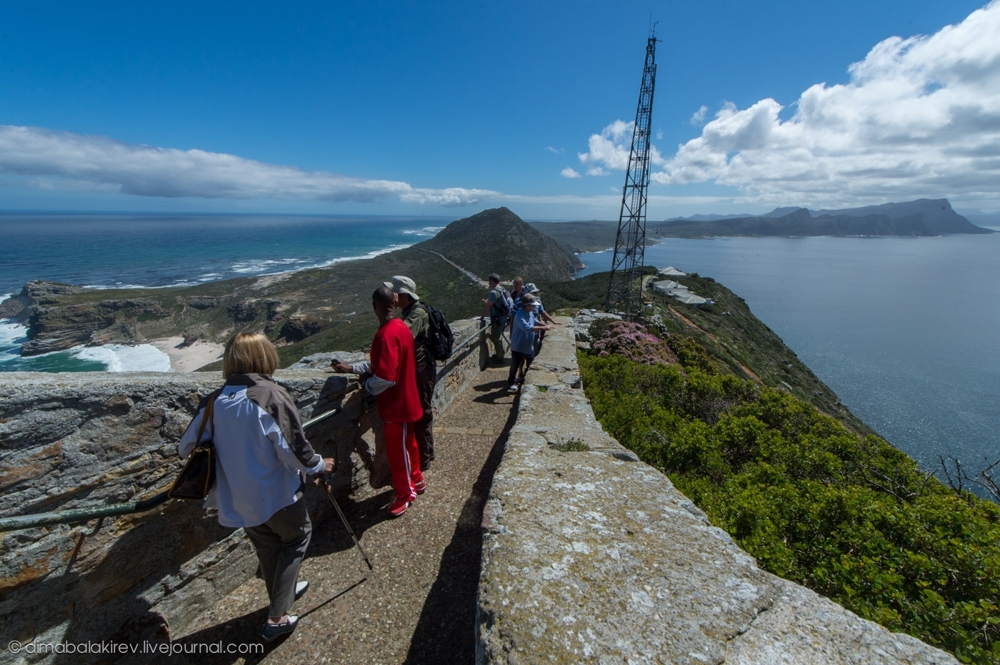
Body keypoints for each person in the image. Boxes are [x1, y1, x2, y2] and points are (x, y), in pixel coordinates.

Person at [177, 333, 334, 643]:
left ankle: (282, 594)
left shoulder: (213, 401)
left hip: (237, 496)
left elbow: (185, 448)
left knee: (267, 546)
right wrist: (319, 466)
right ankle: (277, 618)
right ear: (264, 357)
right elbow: (292, 448)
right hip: (277, 492)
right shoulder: (270, 395)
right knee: (296, 538)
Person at [333, 287, 424, 517]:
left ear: (375, 307)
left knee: (397, 451)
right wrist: (353, 368)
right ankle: (417, 480)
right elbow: (384, 364)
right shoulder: (401, 327)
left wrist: (367, 384)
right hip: (408, 400)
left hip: (397, 406)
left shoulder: (385, 335)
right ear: (394, 304)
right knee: (409, 444)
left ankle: (405, 494)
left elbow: (385, 377)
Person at [383, 275, 436, 471]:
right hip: (420, 368)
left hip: (422, 370)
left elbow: (401, 337)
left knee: (422, 412)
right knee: (422, 411)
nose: (391, 297)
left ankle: (424, 457)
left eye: (394, 293)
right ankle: (426, 452)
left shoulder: (417, 314)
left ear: (403, 295)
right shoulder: (410, 311)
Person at [508, 293, 552, 393]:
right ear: (527, 305)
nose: (535, 307)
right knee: (515, 365)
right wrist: (543, 327)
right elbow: (527, 328)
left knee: (531, 363)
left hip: (528, 346)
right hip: (518, 346)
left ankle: (525, 380)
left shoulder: (529, 313)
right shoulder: (519, 315)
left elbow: (535, 321)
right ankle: (511, 382)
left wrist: (545, 325)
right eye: (533, 305)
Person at [520, 283, 558, 354]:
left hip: (535, 329)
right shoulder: (519, 302)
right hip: (524, 330)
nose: (536, 294)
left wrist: (553, 321)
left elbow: (542, 312)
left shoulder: (537, 300)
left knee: (532, 349)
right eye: (534, 293)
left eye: (536, 292)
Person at [480, 273, 510, 364]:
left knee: (496, 338)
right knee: (498, 336)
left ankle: (499, 357)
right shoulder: (503, 290)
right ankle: (500, 352)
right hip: (504, 317)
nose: (488, 283)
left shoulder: (493, 292)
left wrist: (482, 317)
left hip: (497, 319)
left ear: (492, 281)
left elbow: (488, 307)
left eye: (489, 281)